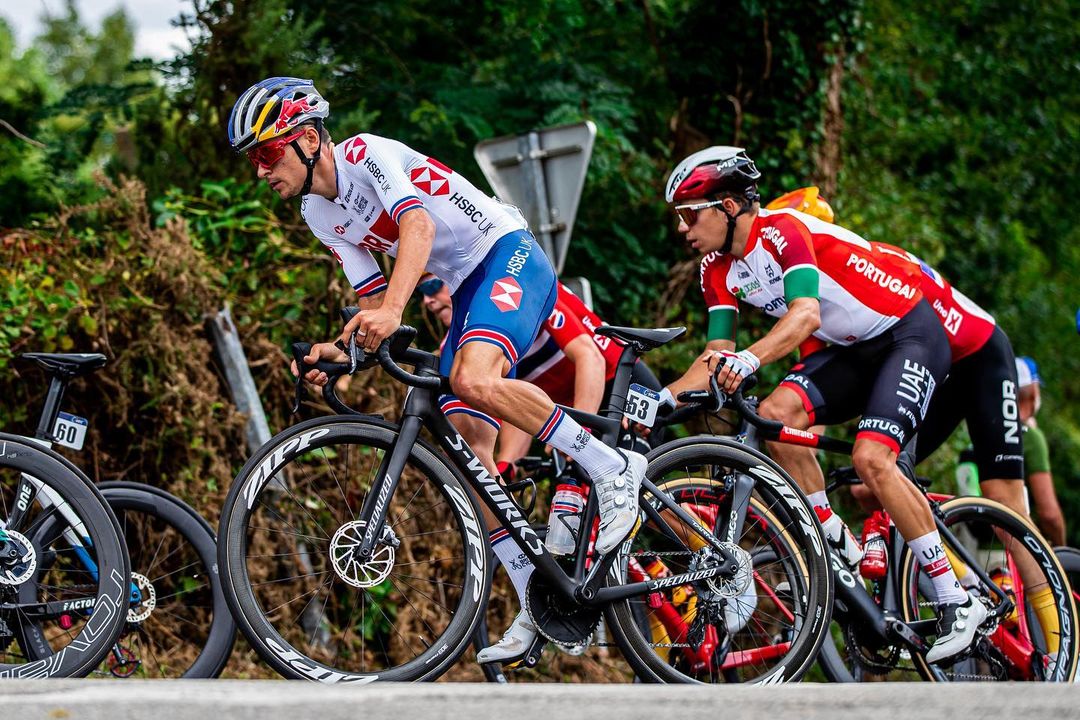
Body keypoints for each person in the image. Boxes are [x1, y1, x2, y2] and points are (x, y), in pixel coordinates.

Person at [227, 77, 647, 665]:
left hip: (506, 252)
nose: (261, 170)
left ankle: (611, 465)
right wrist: (340, 354)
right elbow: (374, 301)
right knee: (466, 446)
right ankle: (536, 595)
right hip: (465, 284)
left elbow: (417, 227)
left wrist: (394, 310)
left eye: (269, 153)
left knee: (472, 379)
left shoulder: (365, 154)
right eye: (254, 160)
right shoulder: (317, 213)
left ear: (308, 139)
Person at [660, 146, 984, 662]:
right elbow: (714, 356)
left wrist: (750, 358)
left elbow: (806, 314)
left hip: (908, 333)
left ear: (727, 206)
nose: (682, 227)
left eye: (689, 213)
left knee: (871, 459)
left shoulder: (782, 231)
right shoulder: (715, 269)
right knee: (774, 415)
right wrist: (659, 400)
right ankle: (835, 538)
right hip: (855, 350)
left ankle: (957, 599)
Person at [772, 188, 1063, 664]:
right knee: (867, 487)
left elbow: (907, 347)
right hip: (926, 365)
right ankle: (962, 583)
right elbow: (821, 396)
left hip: (977, 357)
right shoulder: (815, 298)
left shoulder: (868, 270)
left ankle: (1057, 640)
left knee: (1005, 500)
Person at [1017, 356, 1065, 546]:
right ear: (1032, 393)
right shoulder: (1030, 437)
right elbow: (1049, 514)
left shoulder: (985, 430)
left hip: (966, 550)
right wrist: (1061, 550)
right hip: (1014, 550)